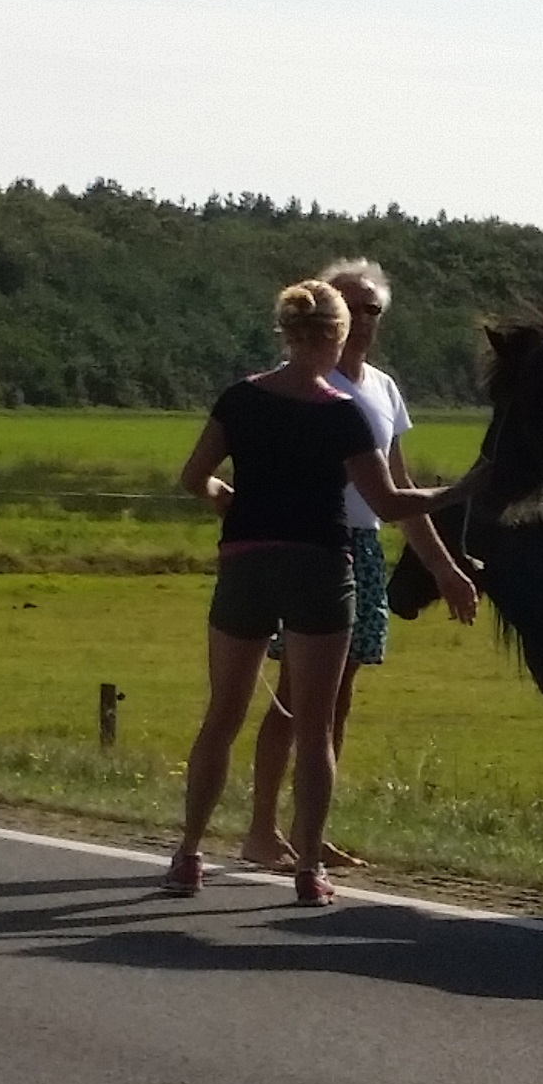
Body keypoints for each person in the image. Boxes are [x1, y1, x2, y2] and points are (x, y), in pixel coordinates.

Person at [164, 278, 464, 906]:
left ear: (285, 331)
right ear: (338, 334)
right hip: (322, 566)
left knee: (223, 713)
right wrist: (461, 492)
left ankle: (189, 852)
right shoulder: (343, 411)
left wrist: (232, 505)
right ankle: (307, 868)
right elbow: (386, 500)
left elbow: (196, 478)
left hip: (246, 561)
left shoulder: (240, 399)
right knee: (317, 726)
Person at [237, 257, 477, 871]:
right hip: (310, 542)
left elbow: (398, 489)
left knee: (337, 698)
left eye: (372, 309)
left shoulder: (381, 389)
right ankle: (262, 829)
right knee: (295, 695)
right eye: (351, 308)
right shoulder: (300, 386)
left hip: (361, 548)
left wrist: (445, 569)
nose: (361, 320)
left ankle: (310, 828)